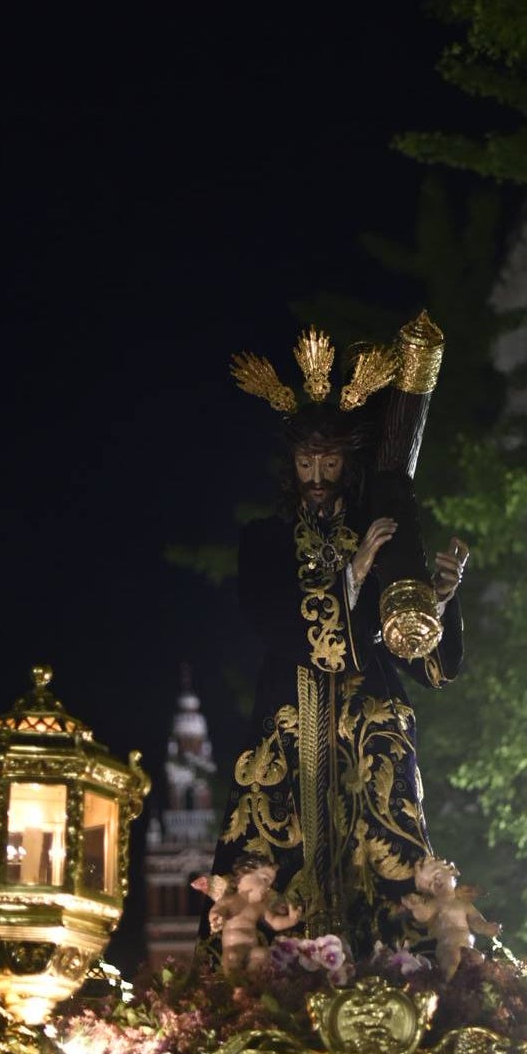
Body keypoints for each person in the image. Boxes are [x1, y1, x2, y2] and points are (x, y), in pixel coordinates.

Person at [205, 318, 468, 957]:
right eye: (305, 463)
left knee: (391, 850)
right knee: (267, 867)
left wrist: (436, 600)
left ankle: (403, 964)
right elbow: (272, 621)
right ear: (290, 467)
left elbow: (417, 654)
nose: (317, 476)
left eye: (328, 463)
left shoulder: (380, 530)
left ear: (346, 465)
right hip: (289, 722)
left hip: (367, 724)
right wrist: (349, 576)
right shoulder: (264, 541)